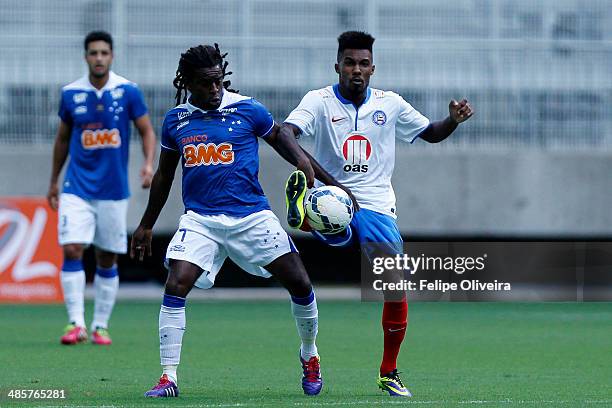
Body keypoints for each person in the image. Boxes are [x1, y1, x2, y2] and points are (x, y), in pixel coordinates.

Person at [281, 31, 473, 397]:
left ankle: (389, 371)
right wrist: (310, 168)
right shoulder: (318, 101)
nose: (356, 69)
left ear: (373, 69)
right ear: (337, 66)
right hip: (333, 196)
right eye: (349, 63)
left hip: (377, 206)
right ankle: (310, 213)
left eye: (363, 64)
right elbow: (286, 133)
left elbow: (430, 133)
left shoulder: (391, 104)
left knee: (396, 285)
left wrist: (452, 121)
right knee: (335, 210)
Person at [131, 44, 323, 398]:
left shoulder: (248, 109)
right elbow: (164, 175)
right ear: (187, 83)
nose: (214, 89)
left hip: (251, 216)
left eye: (218, 81)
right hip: (201, 220)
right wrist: (146, 225)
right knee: (176, 284)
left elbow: (279, 134)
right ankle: (168, 377)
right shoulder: (177, 120)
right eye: (205, 84)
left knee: (300, 284)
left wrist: (304, 164)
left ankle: (309, 354)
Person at [47, 31, 156, 346]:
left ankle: (100, 325)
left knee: (107, 257)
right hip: (76, 187)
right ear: (86, 56)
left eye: (104, 53)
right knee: (72, 248)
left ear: (111, 56)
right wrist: (54, 181)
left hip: (113, 190)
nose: (98, 58)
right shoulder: (71, 94)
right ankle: (75, 323)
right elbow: (63, 139)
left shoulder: (128, 91)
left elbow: (147, 131)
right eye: (93, 53)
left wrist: (148, 164)